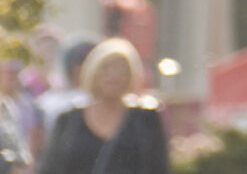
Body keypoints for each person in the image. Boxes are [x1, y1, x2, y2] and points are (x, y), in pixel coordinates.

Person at [34, 40, 161, 174]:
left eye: (121, 68)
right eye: (106, 68)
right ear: (92, 71)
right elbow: (50, 168)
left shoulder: (145, 120)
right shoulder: (69, 121)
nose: (113, 75)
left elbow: (158, 167)